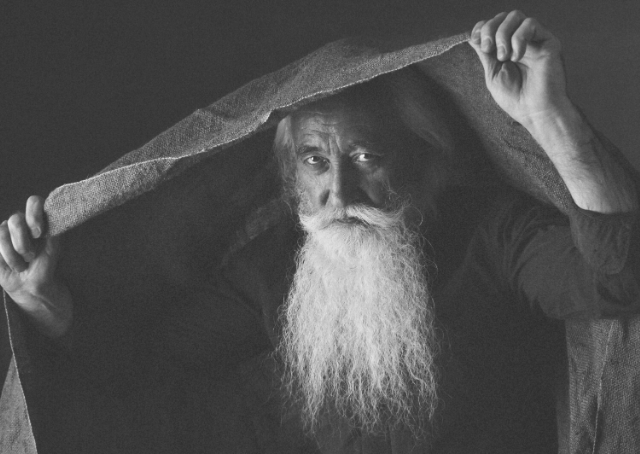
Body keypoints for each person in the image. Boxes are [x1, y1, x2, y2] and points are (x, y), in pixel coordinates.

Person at [1, 11, 638, 453]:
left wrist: (550, 118)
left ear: (424, 160)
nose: (340, 191)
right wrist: (50, 307)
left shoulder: (492, 232)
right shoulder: (271, 268)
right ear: (292, 177)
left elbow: (618, 281)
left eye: (366, 157)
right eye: (314, 160)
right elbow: (151, 367)